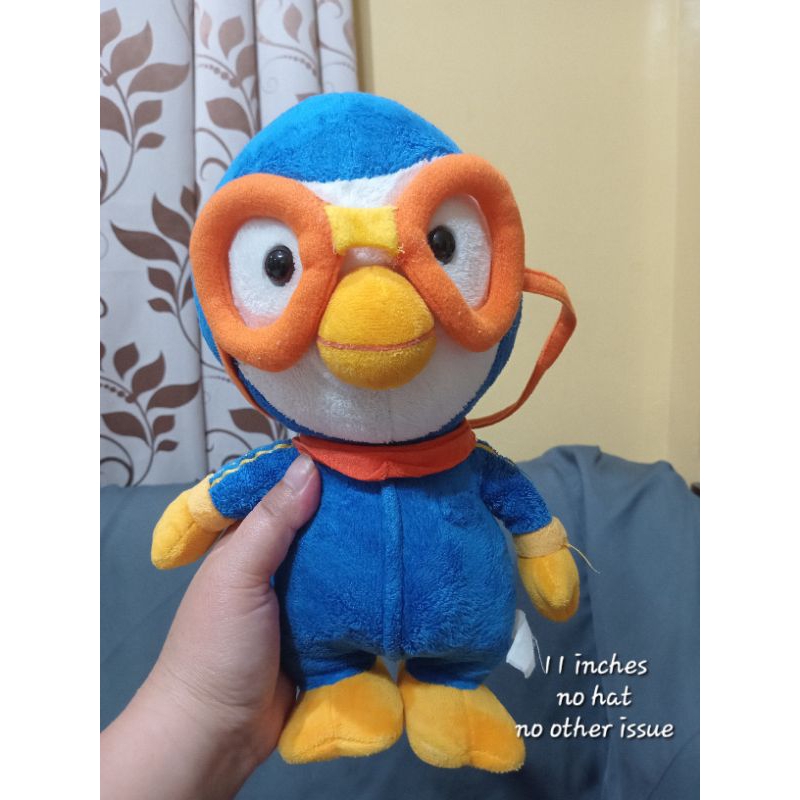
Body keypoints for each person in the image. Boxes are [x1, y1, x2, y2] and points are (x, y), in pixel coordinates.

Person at [101, 455, 321, 800]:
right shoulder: (288, 465)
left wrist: (206, 710)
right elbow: (220, 496)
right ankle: (340, 685)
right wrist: (207, 706)